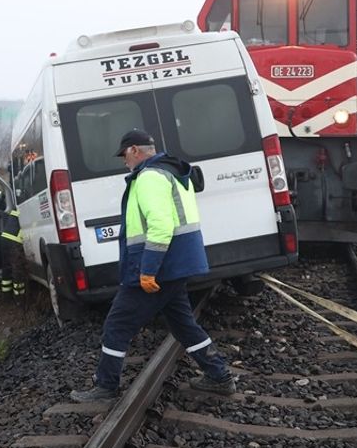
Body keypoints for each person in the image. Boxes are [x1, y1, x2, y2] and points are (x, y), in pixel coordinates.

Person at [70, 129, 234, 402]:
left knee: (117, 324)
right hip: (176, 264)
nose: (124, 161)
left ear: (135, 150)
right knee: (182, 323)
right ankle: (219, 376)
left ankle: (106, 387)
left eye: (124, 155)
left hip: (160, 267)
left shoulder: (149, 177)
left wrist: (148, 270)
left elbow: (160, 225)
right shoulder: (170, 172)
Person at [0, 208, 26, 299]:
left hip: (4, 238)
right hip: (15, 240)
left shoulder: (16, 207)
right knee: (17, 269)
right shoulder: (28, 207)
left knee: (6, 267)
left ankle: (6, 295)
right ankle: (19, 297)